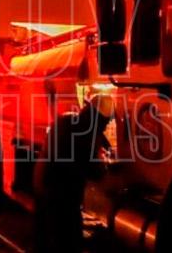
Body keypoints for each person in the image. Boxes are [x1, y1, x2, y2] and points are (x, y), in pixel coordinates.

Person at [35, 94, 115, 252]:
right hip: (63, 195)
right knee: (68, 240)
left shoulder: (66, 121)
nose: (105, 127)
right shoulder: (86, 135)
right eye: (105, 123)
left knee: (44, 235)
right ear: (98, 119)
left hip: (43, 185)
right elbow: (95, 171)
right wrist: (107, 166)